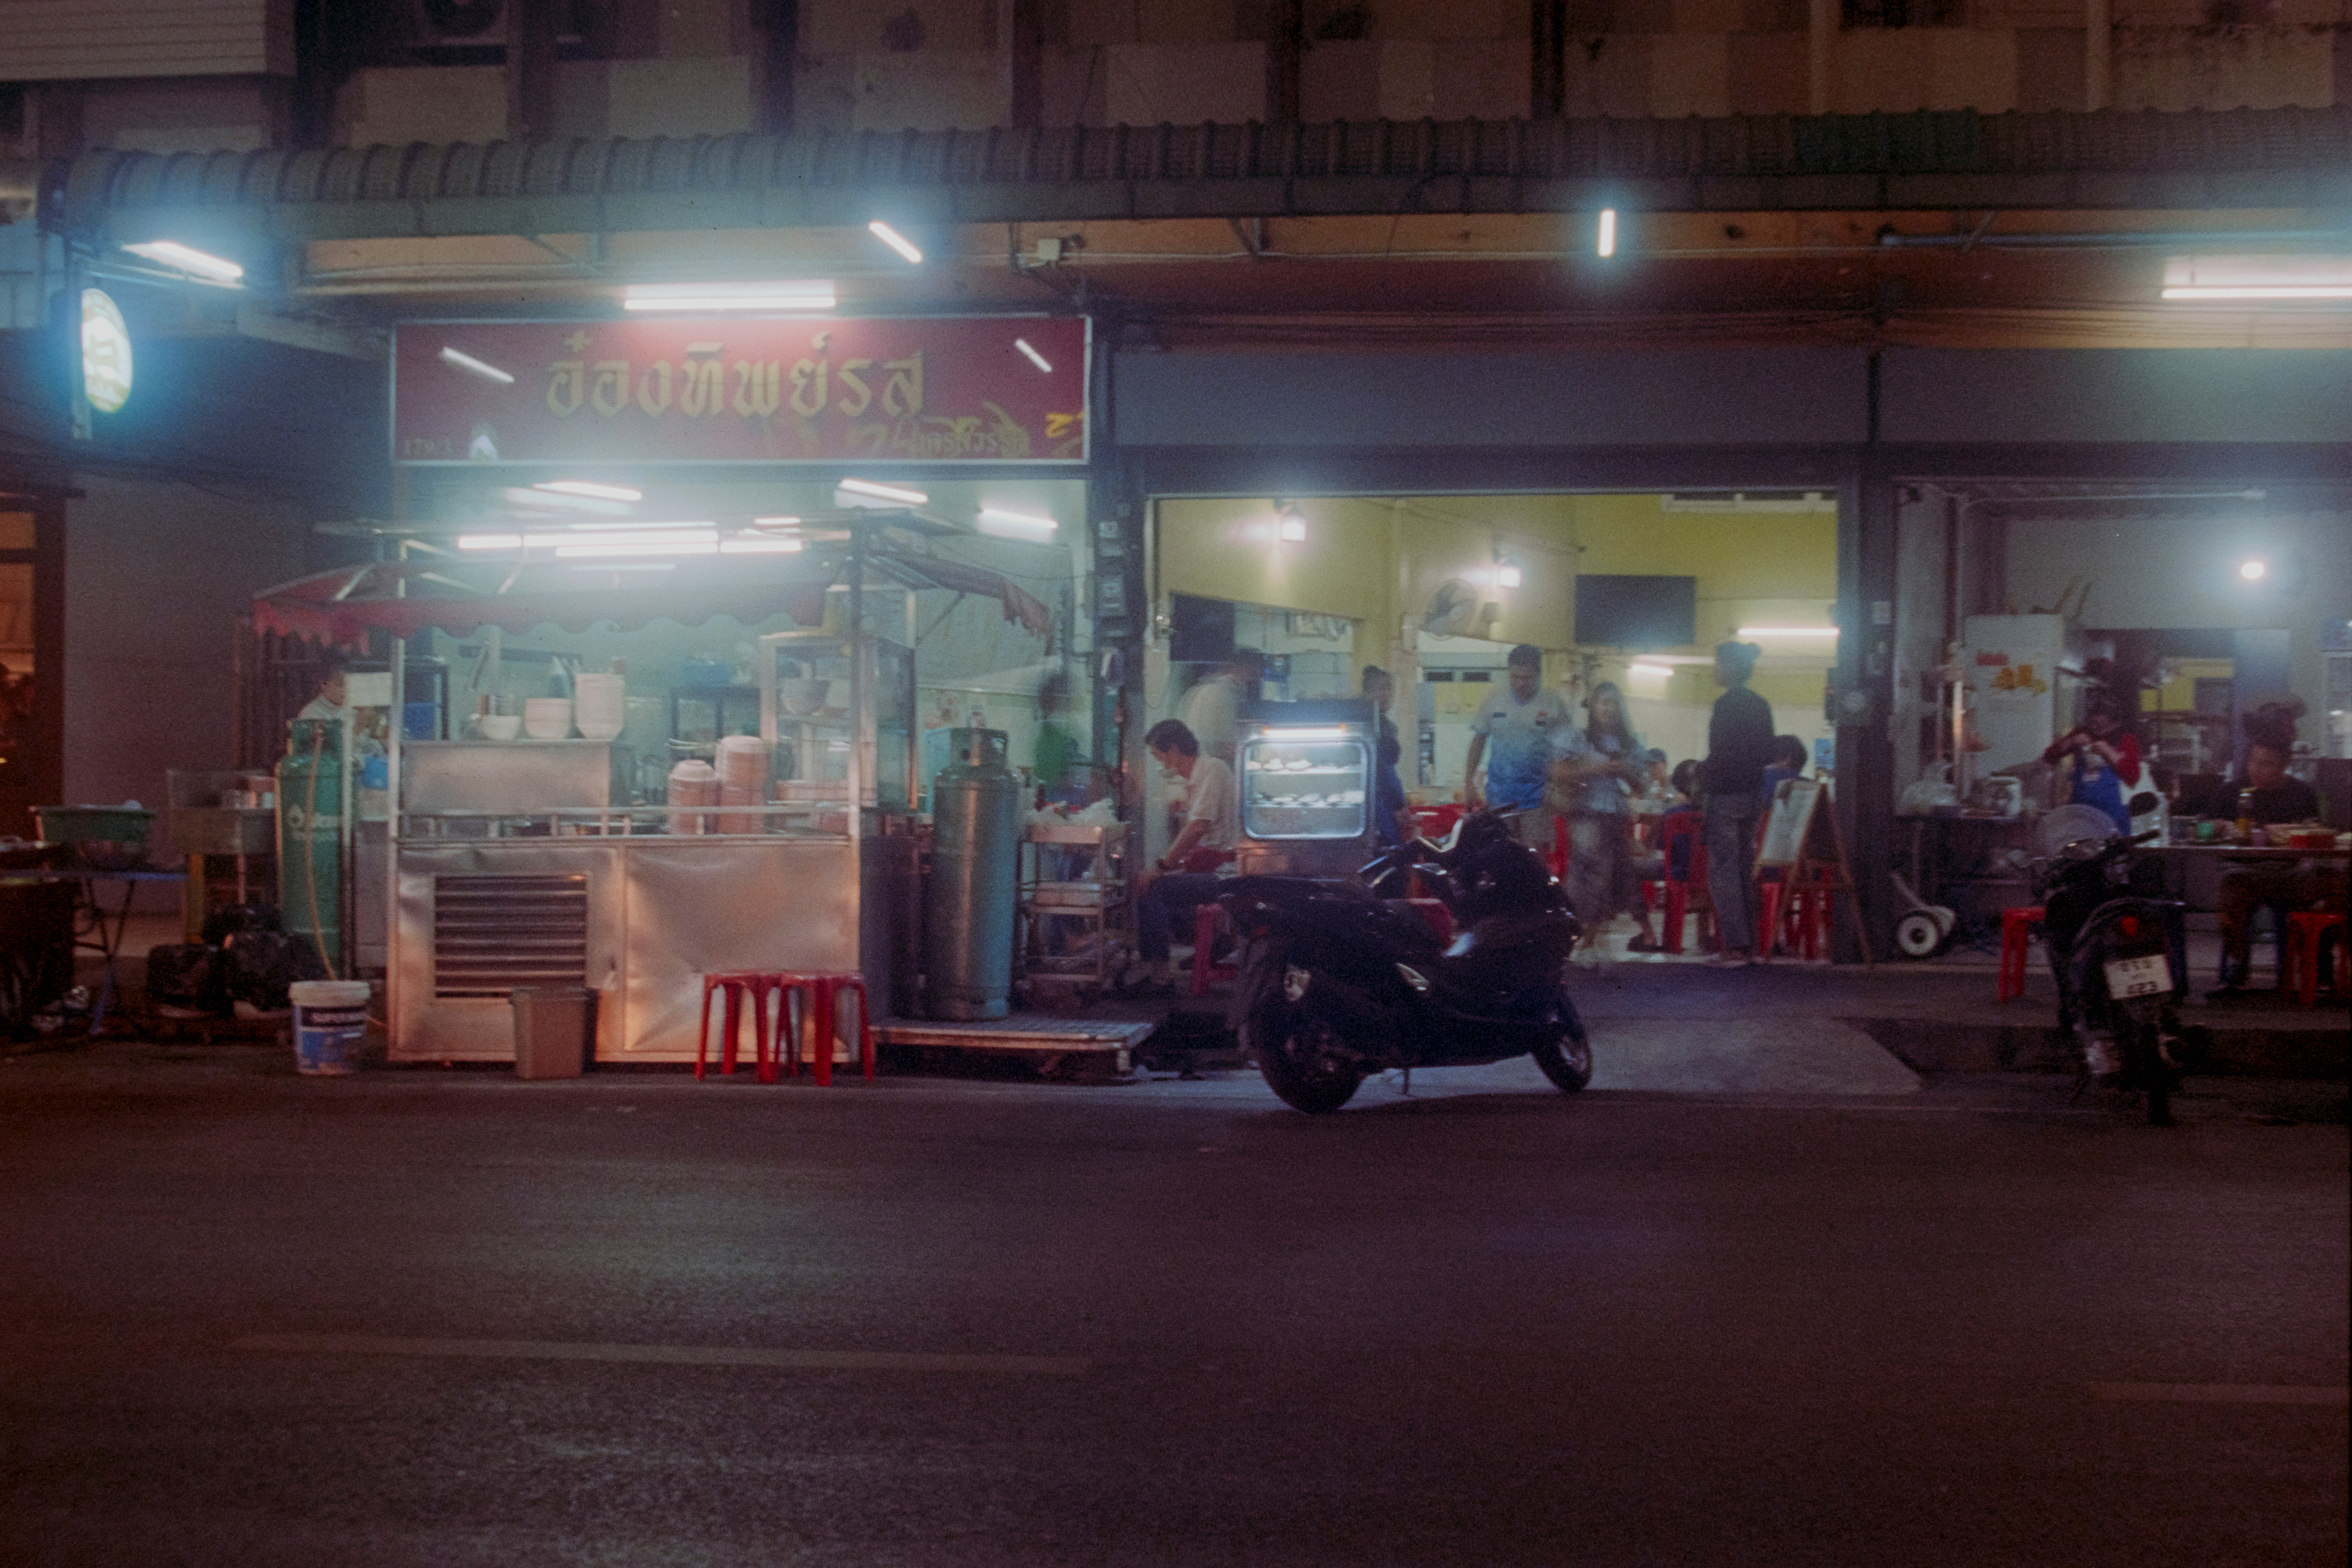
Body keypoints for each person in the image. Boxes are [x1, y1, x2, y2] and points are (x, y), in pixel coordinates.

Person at [2207, 725, 2340, 999]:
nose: (2258, 769)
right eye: (2254, 761)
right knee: (2231, 893)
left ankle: (2322, 970)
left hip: (2292, 873)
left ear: (2285, 764)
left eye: (2268, 763)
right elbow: (2206, 827)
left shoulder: (2302, 793)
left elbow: (2315, 830)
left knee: (2336, 889)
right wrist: (2218, 827)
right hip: (2245, 872)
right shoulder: (2233, 791)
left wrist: (2292, 832)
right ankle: (2236, 968)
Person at [1124, 719, 1239, 996]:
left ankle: (1161, 979)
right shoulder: (1198, 778)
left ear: (1174, 750)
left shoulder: (1212, 769)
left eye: (1159, 755)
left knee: (1152, 889)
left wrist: (1162, 866)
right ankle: (1215, 945)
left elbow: (1198, 826)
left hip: (1228, 875)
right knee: (1160, 888)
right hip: (1216, 867)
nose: (1160, 763)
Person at [1547, 680, 1648, 938]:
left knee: (1620, 871)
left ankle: (1635, 931)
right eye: (1604, 702)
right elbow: (1557, 772)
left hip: (1615, 813)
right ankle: (1584, 934)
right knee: (1594, 872)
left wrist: (1624, 771)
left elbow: (1641, 786)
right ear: (1592, 706)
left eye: (1614, 703)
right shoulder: (1577, 738)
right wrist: (1595, 768)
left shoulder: (1629, 744)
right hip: (1585, 813)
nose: (1609, 709)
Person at [1699, 640, 1772, 967]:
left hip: (1726, 796)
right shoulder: (1761, 704)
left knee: (1724, 872)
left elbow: (1719, 756)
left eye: (1718, 663)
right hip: (1752, 795)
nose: (1715, 670)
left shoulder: (1725, 705)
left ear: (1730, 667)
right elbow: (1767, 752)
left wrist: (1700, 778)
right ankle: (1751, 945)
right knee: (1744, 869)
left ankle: (1734, 945)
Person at [1464, 644, 1574, 849]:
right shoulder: (1494, 699)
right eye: (1515, 677)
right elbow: (1479, 740)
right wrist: (1469, 782)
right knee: (1501, 861)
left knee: (1533, 863)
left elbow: (1566, 752)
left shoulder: (1553, 704)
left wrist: (1561, 787)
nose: (1520, 684)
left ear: (1539, 674)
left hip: (1537, 800)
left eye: (1527, 678)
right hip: (1499, 798)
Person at [2041, 694, 2142, 835]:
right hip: (2080, 810)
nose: (2095, 729)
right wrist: (2071, 742)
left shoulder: (2126, 740)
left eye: (2101, 725)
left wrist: (2109, 753)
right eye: (2092, 723)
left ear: (2115, 724)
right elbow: (2049, 757)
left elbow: (2133, 777)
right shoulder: (2082, 733)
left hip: (2114, 812)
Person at [1174, 650, 1260, 767]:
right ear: (1243, 668)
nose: (1254, 680)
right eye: (1254, 674)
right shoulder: (1225, 694)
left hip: (1193, 766)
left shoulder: (1196, 690)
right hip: (1215, 767)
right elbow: (1224, 745)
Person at [1360, 665, 1414, 847]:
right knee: (1391, 856)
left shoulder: (1384, 725)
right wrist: (1399, 805)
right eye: (1380, 688)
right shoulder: (1371, 726)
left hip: (1376, 805)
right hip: (1376, 806)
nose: (1386, 694)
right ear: (1367, 692)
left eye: (1389, 689)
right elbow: (1384, 771)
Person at [1032, 670, 1086, 809]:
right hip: (1055, 806)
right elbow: (1044, 773)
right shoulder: (1047, 734)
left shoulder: (1070, 734)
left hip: (1072, 807)